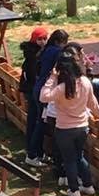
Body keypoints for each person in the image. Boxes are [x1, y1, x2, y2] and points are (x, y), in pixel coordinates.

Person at [40, 54, 99, 196]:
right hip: (82, 127)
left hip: (64, 129)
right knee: (79, 157)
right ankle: (88, 186)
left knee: (69, 159)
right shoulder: (85, 82)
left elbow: (43, 97)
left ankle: (74, 190)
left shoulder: (62, 88)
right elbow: (93, 104)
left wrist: (52, 77)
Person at [27, 29, 69, 167]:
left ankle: (38, 153)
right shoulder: (57, 52)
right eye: (64, 42)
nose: (65, 45)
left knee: (40, 122)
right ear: (58, 42)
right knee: (41, 124)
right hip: (45, 90)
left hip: (38, 87)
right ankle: (32, 155)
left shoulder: (47, 49)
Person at [19, 27, 49, 165]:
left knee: (34, 121)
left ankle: (37, 152)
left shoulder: (33, 53)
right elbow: (33, 75)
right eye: (39, 39)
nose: (43, 41)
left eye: (45, 38)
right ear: (34, 40)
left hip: (31, 91)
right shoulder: (34, 56)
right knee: (37, 122)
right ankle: (33, 153)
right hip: (33, 92)